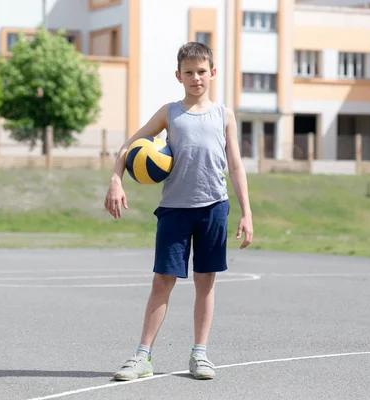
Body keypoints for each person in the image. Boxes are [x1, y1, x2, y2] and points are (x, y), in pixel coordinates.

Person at [103, 41, 253, 381]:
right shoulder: (169, 113)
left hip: (214, 207)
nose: (196, 78)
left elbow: (236, 166)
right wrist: (116, 179)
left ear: (212, 73)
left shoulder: (223, 114)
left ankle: (200, 354)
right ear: (178, 76)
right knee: (162, 282)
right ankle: (142, 357)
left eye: (202, 72)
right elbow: (129, 146)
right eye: (189, 73)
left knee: (206, 282)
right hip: (174, 210)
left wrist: (247, 212)